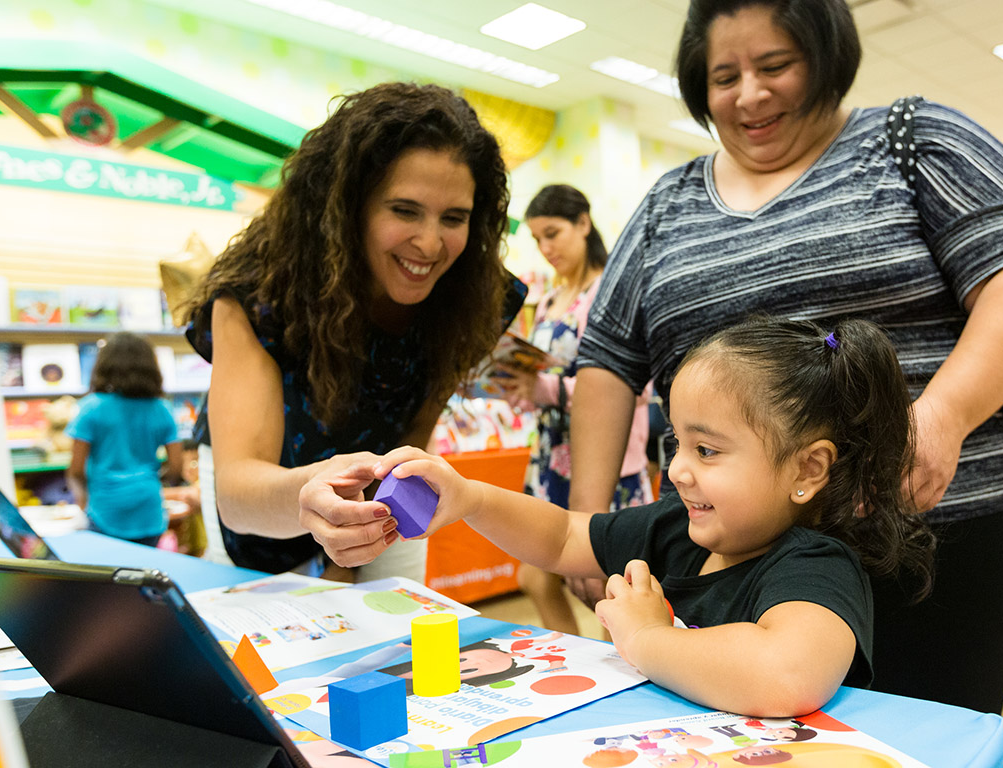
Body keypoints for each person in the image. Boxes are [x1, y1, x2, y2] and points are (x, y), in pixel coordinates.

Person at [568, 0, 1003, 714]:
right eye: (724, 75)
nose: (749, 93)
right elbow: (607, 358)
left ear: (827, 58)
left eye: (775, 65)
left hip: (932, 537)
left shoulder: (915, 140)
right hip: (725, 556)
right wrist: (589, 517)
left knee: (922, 742)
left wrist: (943, 416)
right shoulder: (666, 204)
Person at [365, 316, 935, 716]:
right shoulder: (676, 529)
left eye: (707, 451)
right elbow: (564, 536)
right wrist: (472, 500)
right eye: (676, 444)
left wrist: (646, 637)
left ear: (807, 471)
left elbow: (786, 674)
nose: (680, 470)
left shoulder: (816, 565)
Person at [183, 82, 524, 581]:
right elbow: (239, 496)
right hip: (268, 499)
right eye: (404, 210)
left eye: (454, 218)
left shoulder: (472, 296)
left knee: (396, 627)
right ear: (346, 207)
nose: (430, 244)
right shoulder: (256, 294)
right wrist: (319, 495)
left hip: (382, 488)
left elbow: (414, 436)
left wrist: (356, 546)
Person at [495, 184, 652, 634]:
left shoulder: (609, 291)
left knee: (611, 583)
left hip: (604, 457)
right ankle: (573, 657)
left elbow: (633, 386)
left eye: (554, 234)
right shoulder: (548, 297)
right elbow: (547, 373)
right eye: (538, 239)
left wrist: (544, 388)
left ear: (583, 224)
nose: (546, 248)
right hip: (550, 455)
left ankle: (620, 670)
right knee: (535, 572)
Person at [65, 332, 182, 546]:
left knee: (108, 575)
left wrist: (83, 503)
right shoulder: (162, 409)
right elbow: (176, 467)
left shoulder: (91, 408)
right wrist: (151, 481)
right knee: (145, 573)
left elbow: (76, 471)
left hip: (105, 509)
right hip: (149, 510)